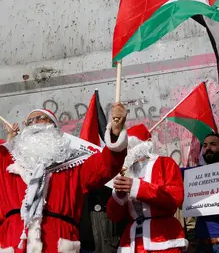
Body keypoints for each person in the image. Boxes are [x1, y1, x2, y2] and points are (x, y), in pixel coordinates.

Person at [0, 104, 128, 252]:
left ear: (54, 128)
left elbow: (106, 166)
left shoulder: (75, 163)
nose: (35, 123)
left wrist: (115, 133)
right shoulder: (6, 159)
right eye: (30, 121)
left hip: (59, 240)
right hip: (14, 241)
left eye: (42, 118)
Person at [106, 124, 187, 253]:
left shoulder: (164, 163)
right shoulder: (124, 171)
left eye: (131, 146)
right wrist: (119, 197)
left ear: (144, 145)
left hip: (163, 239)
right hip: (133, 243)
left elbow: (175, 198)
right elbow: (114, 216)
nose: (128, 151)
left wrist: (137, 188)